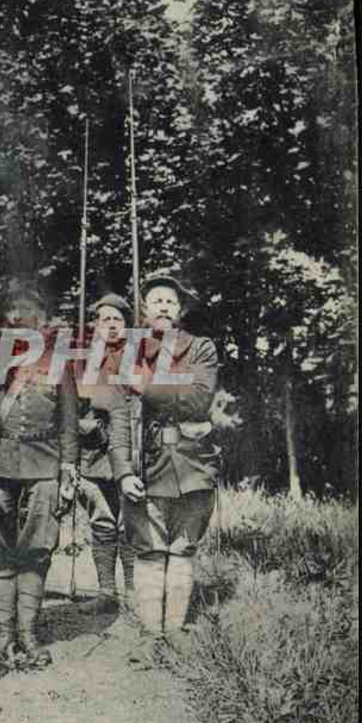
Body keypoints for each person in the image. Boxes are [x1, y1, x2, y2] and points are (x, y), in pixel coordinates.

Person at [117, 269, 219, 648]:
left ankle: (175, 631)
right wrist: (124, 471)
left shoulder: (202, 348)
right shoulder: (130, 352)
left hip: (193, 465)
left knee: (182, 548)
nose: (162, 305)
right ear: (144, 310)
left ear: (180, 310)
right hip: (148, 464)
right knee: (148, 550)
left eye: (170, 300)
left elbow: (198, 399)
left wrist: (146, 386)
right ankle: (150, 634)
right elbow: (119, 417)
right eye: (155, 299)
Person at [0, 281, 78, 669]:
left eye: (29, 313)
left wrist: (69, 468)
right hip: (2, 463)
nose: (21, 319)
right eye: (13, 314)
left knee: (37, 547)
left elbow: (69, 423)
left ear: (43, 321)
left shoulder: (58, 362)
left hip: (45, 461)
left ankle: (29, 634)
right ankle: (3, 636)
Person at [75, 293, 139, 615]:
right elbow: (71, 404)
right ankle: (106, 593)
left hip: (130, 453)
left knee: (131, 524)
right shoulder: (83, 360)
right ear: (95, 325)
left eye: (118, 319)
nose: (112, 325)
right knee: (102, 521)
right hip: (94, 455)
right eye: (105, 320)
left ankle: (132, 594)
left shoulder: (138, 357)